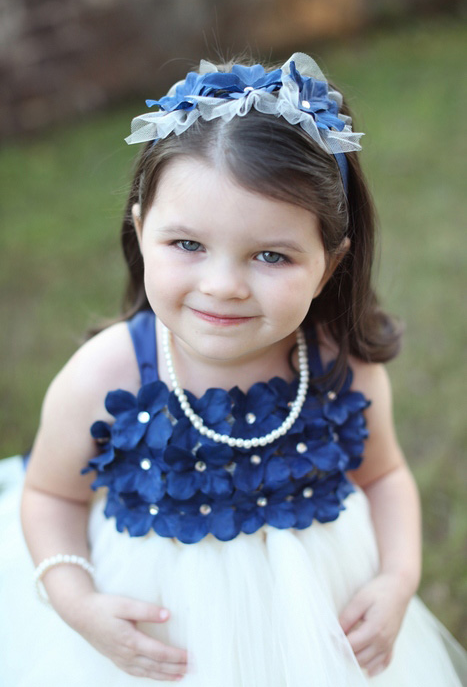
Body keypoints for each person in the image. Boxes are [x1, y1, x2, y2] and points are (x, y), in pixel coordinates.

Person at [0, 53, 465, 686]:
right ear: (141, 233)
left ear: (329, 265)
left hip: (317, 625)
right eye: (187, 245)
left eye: (270, 255)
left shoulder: (340, 371)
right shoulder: (105, 375)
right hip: (163, 634)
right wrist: (76, 602)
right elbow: (51, 494)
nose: (223, 286)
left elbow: (385, 478)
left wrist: (396, 578)